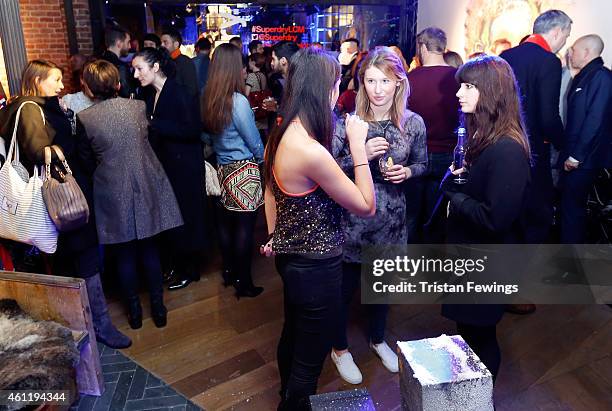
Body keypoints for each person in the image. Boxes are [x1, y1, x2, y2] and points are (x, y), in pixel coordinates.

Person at [262, 47, 376, 410]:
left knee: (293, 335)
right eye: (336, 84)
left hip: (294, 258)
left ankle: (285, 397)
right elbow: (366, 205)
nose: (338, 91)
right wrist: (359, 149)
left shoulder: (281, 130)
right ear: (322, 89)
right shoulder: (309, 149)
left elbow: (269, 189)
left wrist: (273, 236)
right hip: (316, 265)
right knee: (308, 363)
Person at [0, 60, 131, 348]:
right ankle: (101, 326)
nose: (62, 86)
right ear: (36, 81)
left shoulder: (16, 107)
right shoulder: (33, 109)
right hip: (62, 197)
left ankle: (76, 327)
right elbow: (40, 152)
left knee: (65, 262)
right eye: (55, 79)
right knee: (87, 260)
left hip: (48, 202)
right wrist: (70, 138)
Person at [331, 47, 427, 384]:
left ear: (399, 82)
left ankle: (377, 339)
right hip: (352, 223)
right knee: (343, 291)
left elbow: (423, 164)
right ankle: (339, 349)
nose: (377, 88)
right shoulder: (350, 120)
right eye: (370, 80)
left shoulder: (413, 122)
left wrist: (408, 173)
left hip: (391, 221)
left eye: (385, 80)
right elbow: (327, 169)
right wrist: (360, 155)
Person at [441, 55, 531, 382]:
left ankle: (480, 399)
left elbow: (496, 219)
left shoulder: (508, 148)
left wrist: (456, 196)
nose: (459, 93)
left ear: (491, 92)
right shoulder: (483, 134)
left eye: (468, 86)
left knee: (479, 340)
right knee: (468, 334)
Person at [77, 60, 183, 329]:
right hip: (143, 184)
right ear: (118, 84)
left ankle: (135, 314)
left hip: (111, 189)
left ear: (89, 89)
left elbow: (86, 161)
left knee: (124, 255)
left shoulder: (86, 119)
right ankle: (159, 309)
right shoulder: (138, 107)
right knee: (149, 249)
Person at [501, 9, 572, 315]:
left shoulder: (506, 56)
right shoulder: (548, 62)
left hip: (502, 148)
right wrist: (566, 145)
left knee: (507, 217)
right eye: (566, 35)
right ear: (555, 32)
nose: (565, 42)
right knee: (537, 219)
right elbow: (547, 117)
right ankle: (511, 289)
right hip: (532, 153)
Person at [132, 47, 206, 291]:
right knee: (172, 218)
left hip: (185, 168)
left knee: (188, 217)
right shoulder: (149, 95)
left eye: (139, 68)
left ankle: (191, 269)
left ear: (155, 67)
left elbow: (194, 130)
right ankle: (178, 264)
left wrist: (155, 125)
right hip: (167, 168)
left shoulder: (180, 92)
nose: (135, 74)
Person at [201, 44, 265, 298]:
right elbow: (253, 140)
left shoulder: (208, 95)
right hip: (244, 169)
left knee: (226, 226)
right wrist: (263, 159)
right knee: (245, 229)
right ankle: (244, 282)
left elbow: (204, 134)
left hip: (222, 168)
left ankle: (229, 272)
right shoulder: (237, 101)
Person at [406, 27, 460, 243]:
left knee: (411, 216)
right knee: (437, 218)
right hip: (448, 154)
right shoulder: (458, 77)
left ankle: (405, 268)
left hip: (415, 155)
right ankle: (433, 267)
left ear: (423, 47)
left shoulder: (410, 79)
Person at [560, 35, 612, 243]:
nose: (570, 53)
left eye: (573, 49)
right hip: (577, 158)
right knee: (570, 211)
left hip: (583, 160)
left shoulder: (601, 78)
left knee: (573, 213)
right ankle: (569, 264)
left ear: (587, 52)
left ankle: (570, 267)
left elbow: (595, 121)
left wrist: (575, 157)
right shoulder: (587, 76)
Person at [161, 28, 199, 97]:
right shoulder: (163, 61)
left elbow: (191, 91)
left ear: (176, 44)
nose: (162, 45)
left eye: (165, 42)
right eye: (161, 42)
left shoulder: (185, 62)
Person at [101, 26, 134, 98]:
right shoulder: (120, 67)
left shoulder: (97, 63)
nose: (130, 46)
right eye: (128, 42)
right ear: (119, 43)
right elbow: (127, 95)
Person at [245, 52, 269, 142]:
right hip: (262, 109)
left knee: (256, 136)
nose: (248, 64)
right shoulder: (263, 75)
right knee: (263, 136)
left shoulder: (251, 76)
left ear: (253, 62)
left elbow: (246, 93)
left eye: (249, 61)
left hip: (254, 109)